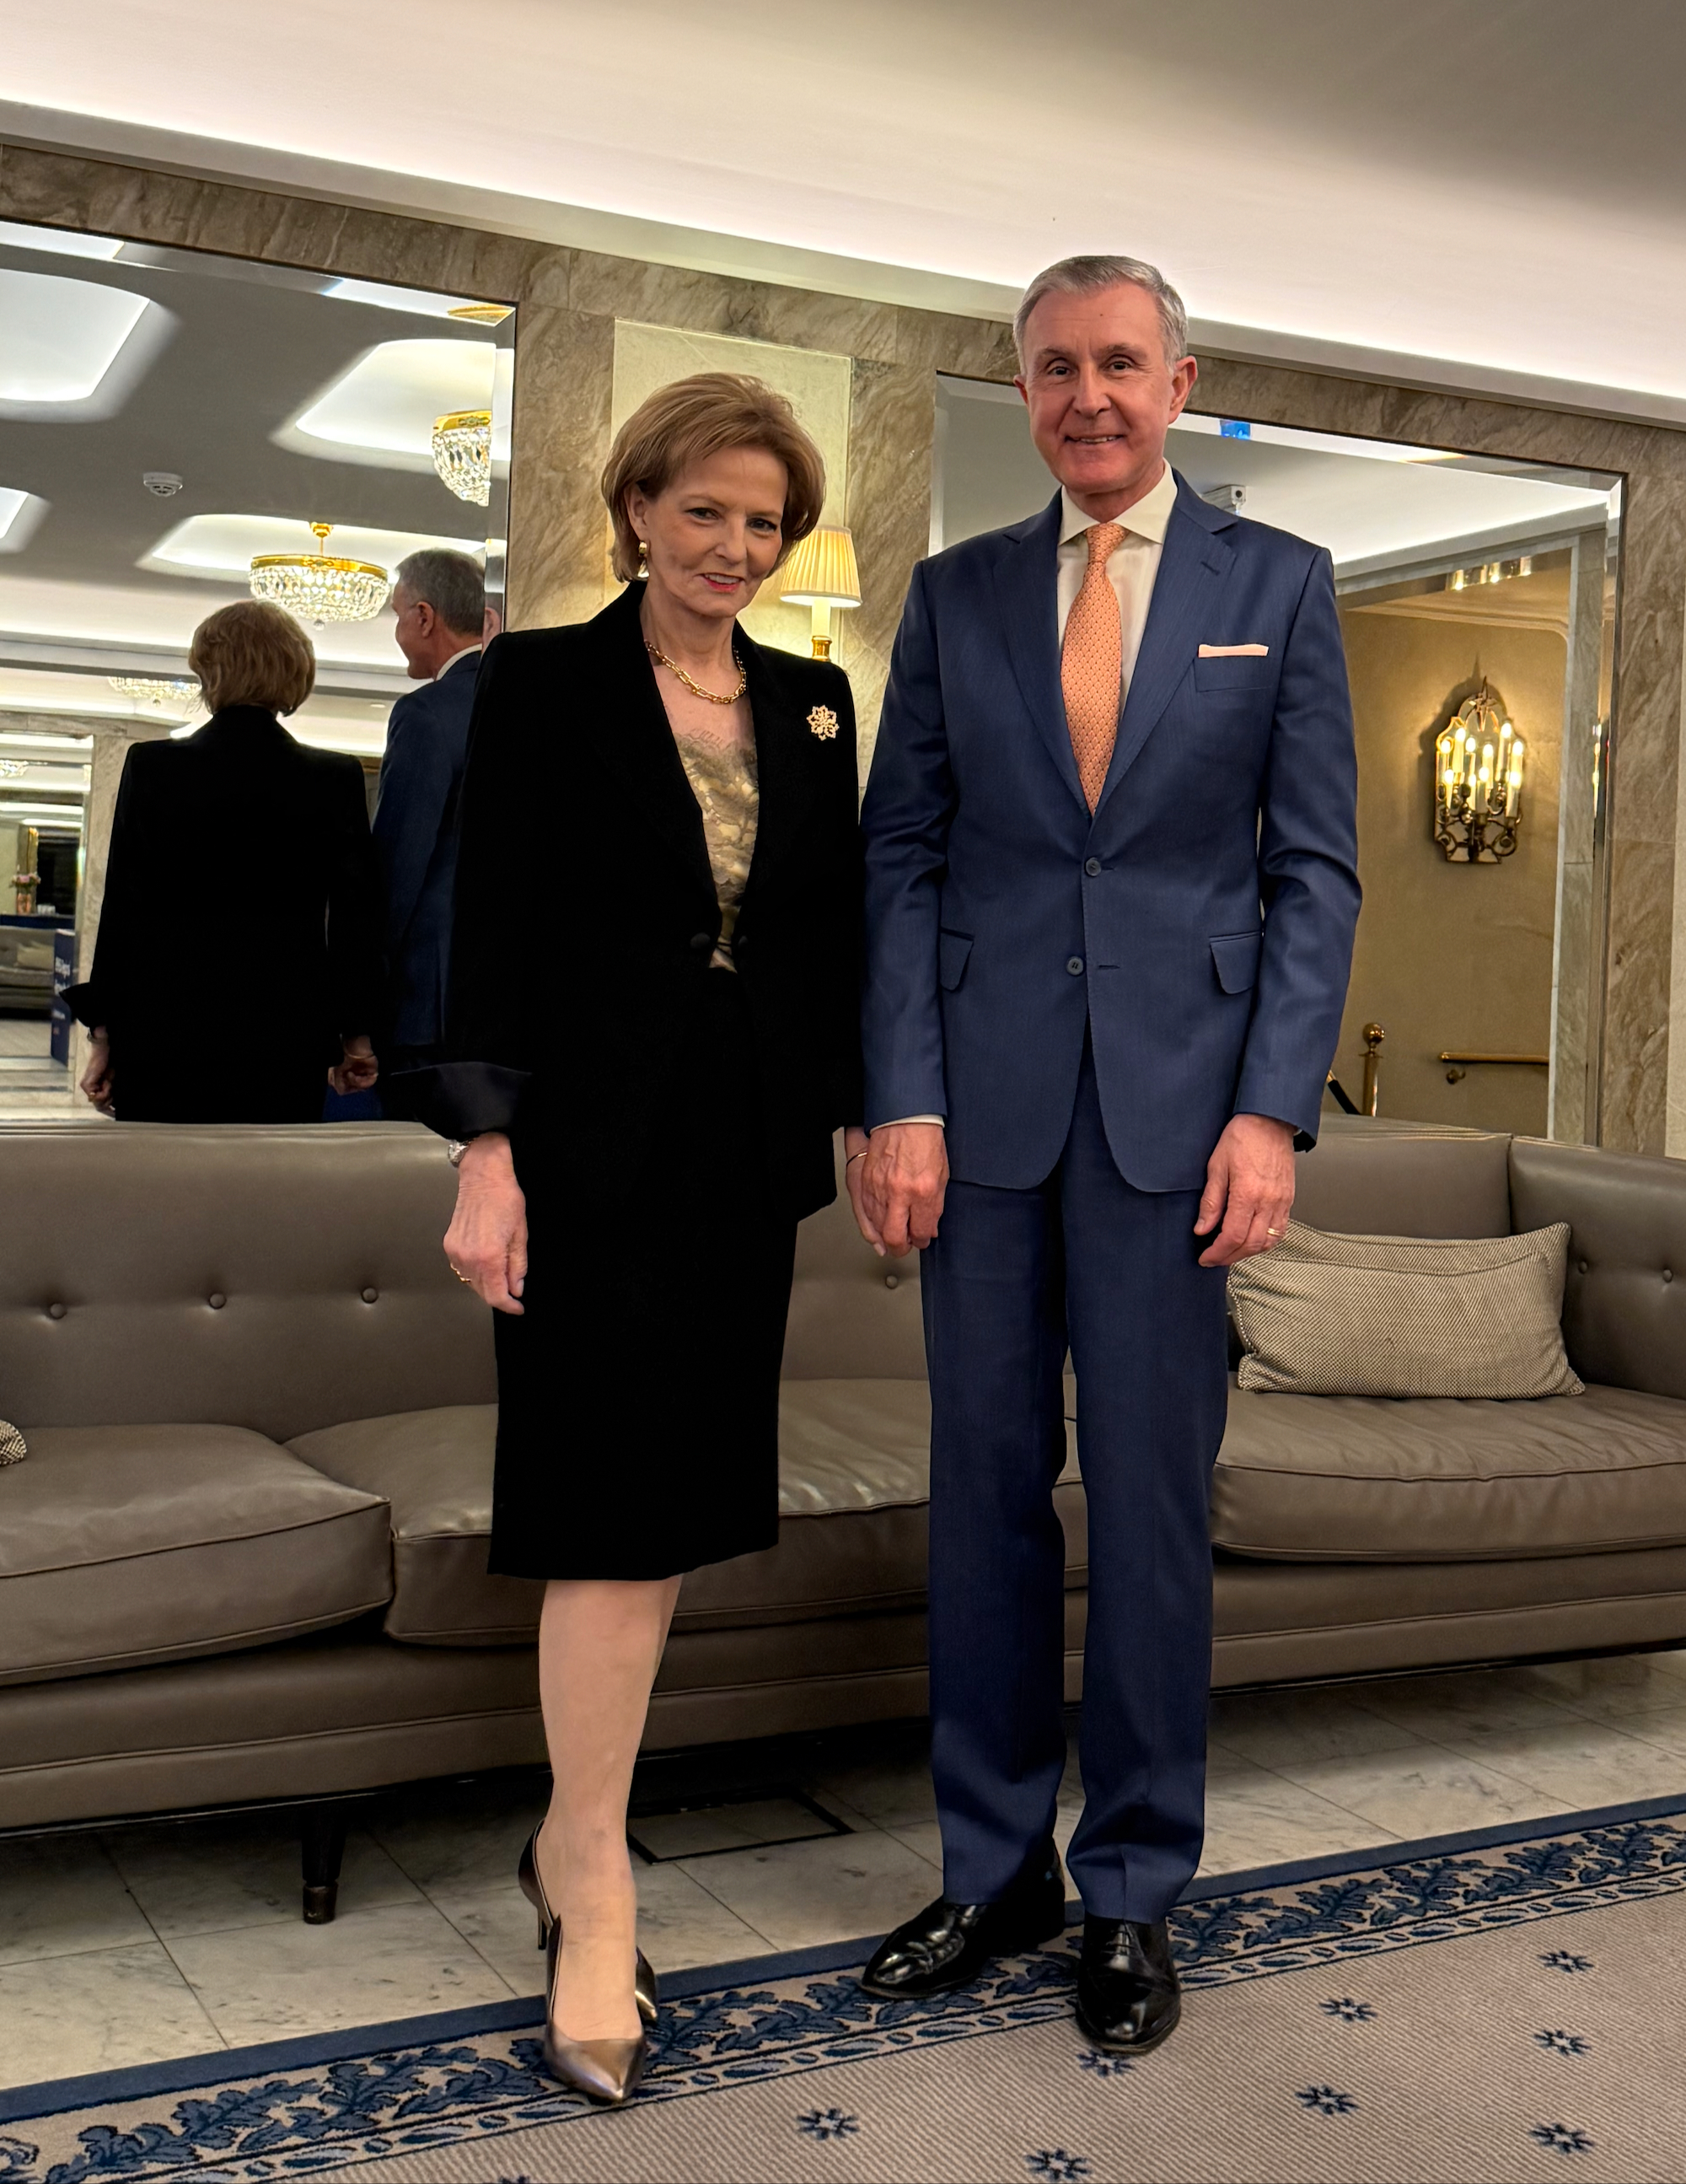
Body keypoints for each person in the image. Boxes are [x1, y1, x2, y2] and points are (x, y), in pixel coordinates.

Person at [850, 255, 1361, 2058]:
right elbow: (901, 858)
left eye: (1121, 363)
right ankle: (995, 1868)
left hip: (1182, 1125)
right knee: (981, 1495)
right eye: (1056, 367)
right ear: (1023, 390)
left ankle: (1133, 1886)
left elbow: (1314, 872)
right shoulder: (957, 593)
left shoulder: (1277, 584)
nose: (1089, 396)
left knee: (1147, 1510)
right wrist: (899, 1099)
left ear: (1179, 381)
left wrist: (1269, 1110)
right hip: (979, 1122)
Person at [405, 373, 862, 2106]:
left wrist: (876, 1111)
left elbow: (829, 938)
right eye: (705, 512)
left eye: (764, 521)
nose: (735, 546)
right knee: (602, 1513)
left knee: (663, 1520)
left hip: (742, 1164)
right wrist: (487, 1148)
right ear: (637, 513)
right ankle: (592, 1878)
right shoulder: (532, 683)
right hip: (583, 1160)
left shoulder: (817, 704)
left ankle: (567, 1833)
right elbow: (480, 928)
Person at [70, 600, 383, 1122]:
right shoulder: (333, 778)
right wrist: (356, 1037)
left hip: (164, 1031)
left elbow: (124, 911)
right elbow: (355, 921)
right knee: (269, 1172)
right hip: (284, 1036)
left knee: (165, 1171)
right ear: (294, 672)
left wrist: (103, 1038)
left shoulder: (153, 768)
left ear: (209, 673)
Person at [373, 548, 496, 1080]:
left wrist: (361, 1009)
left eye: (399, 614)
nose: (398, 630)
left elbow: (397, 869)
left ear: (425, 617)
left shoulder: (426, 714)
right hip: (511, 998)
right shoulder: (532, 703)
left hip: (429, 1002)